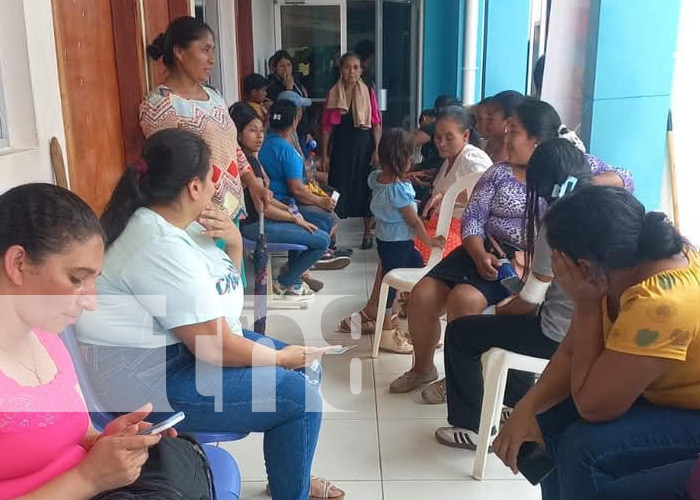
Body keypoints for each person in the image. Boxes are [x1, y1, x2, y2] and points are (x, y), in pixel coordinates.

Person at [74, 129, 344, 500]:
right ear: (193, 187)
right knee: (299, 398)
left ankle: (289, 475)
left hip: (179, 353)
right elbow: (215, 347)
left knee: (307, 367)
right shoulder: (158, 244)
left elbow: (224, 295)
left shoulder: (175, 229)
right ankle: (290, 486)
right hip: (147, 383)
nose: (216, 187)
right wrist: (281, 357)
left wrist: (233, 240)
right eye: (211, 178)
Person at [390, 98, 634, 400]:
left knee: (464, 300)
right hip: (483, 251)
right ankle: (423, 368)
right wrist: (479, 254)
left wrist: (575, 183)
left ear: (538, 139)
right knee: (423, 294)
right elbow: (474, 219)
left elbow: (626, 179)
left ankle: (463, 382)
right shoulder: (498, 173)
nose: (506, 138)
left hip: (526, 263)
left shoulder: (571, 167)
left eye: (513, 132)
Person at [0, 183, 211, 500]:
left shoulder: (46, 337)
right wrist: (89, 479)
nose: (91, 302)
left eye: (93, 281)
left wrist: (110, 442)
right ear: (18, 263)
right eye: (76, 279)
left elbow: (79, 432)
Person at [493, 186, 700, 500]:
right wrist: (528, 408)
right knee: (546, 425)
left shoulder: (659, 304)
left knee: (585, 449)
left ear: (584, 267)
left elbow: (593, 407)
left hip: (691, 411)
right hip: (661, 393)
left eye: (560, 264)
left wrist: (587, 305)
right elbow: (570, 350)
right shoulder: (619, 267)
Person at [433, 139, 591, 448]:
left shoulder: (558, 223)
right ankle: (515, 402)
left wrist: (499, 309)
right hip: (599, 334)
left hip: (559, 337)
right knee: (516, 327)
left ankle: (471, 427)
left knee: (463, 332)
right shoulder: (612, 206)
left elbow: (529, 301)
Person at [336, 106, 491, 338]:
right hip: (440, 225)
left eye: (450, 137)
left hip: (464, 233)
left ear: (466, 135)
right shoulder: (449, 160)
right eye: (438, 137)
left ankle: (383, 311)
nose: (441, 143)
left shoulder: (472, 158)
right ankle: (382, 310)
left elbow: (487, 193)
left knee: (402, 248)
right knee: (394, 249)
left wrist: (448, 196)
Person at [140, 16, 269, 224]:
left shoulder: (214, 95)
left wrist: (252, 182)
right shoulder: (161, 105)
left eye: (213, 51)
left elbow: (231, 147)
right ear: (179, 52)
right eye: (205, 50)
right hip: (198, 220)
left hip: (230, 212)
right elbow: (169, 170)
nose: (212, 59)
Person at [232, 110, 330, 299]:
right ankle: (285, 281)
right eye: (252, 131)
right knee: (322, 240)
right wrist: (294, 218)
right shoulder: (247, 166)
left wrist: (290, 210)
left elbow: (267, 200)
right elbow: (264, 209)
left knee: (318, 230)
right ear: (238, 134)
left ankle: (293, 280)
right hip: (254, 226)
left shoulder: (252, 159)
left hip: (262, 221)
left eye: (262, 130)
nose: (259, 136)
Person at [367, 128, 445, 353]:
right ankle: (385, 335)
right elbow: (413, 222)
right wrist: (430, 241)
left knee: (421, 278)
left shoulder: (377, 179)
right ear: (405, 160)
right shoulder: (399, 191)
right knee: (391, 289)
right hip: (399, 244)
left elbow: (388, 179)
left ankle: (418, 327)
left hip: (388, 242)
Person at [260, 100, 350, 271]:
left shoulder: (265, 143)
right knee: (328, 219)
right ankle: (304, 265)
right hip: (285, 203)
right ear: (294, 121)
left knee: (326, 211)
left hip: (275, 201)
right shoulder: (286, 150)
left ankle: (303, 264)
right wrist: (319, 201)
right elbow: (296, 189)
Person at [319, 52, 383, 249]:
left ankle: (367, 233)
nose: (352, 71)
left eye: (356, 67)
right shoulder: (333, 93)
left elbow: (376, 124)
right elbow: (326, 127)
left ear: (361, 70)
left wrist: (377, 150)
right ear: (341, 69)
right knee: (336, 190)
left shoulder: (368, 92)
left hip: (364, 148)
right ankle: (332, 234)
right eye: (347, 67)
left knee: (366, 190)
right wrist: (324, 154)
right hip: (341, 148)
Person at [266, 50, 313, 150]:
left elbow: (303, 110)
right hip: (284, 133)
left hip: (300, 131)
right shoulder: (271, 87)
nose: (286, 69)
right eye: (282, 66)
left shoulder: (297, 84)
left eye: (288, 65)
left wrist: (307, 131)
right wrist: (288, 89)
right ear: (275, 68)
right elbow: (283, 109)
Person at [481, 90, 525, 163]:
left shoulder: (510, 154)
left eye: (490, 119)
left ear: (508, 123)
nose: (485, 123)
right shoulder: (487, 144)